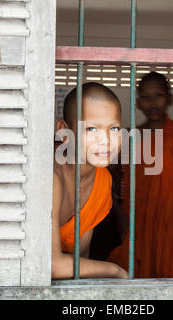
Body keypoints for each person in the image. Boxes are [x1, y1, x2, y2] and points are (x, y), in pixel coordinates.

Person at [107, 71, 173, 278]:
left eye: (158, 95)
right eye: (146, 96)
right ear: (138, 102)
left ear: (169, 99)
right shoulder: (130, 139)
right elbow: (112, 185)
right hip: (140, 222)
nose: (152, 101)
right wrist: (121, 220)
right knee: (139, 279)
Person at [52, 82, 129, 279]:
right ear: (64, 132)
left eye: (114, 129)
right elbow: (51, 264)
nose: (106, 140)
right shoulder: (51, 177)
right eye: (92, 129)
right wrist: (115, 270)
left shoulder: (102, 180)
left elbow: (80, 257)